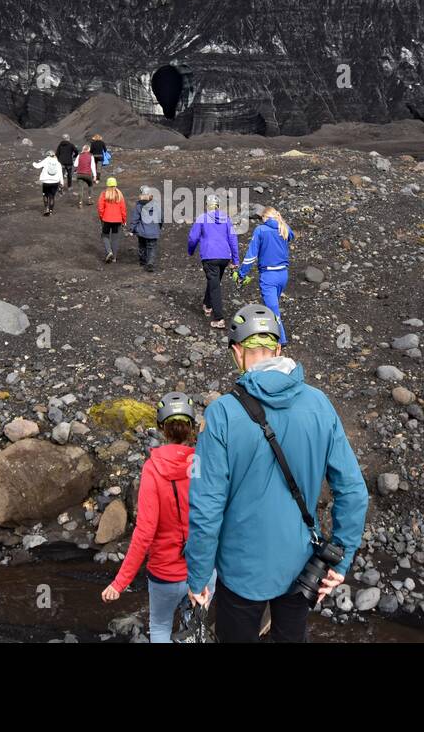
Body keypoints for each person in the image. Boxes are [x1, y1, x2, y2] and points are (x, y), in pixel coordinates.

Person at [184, 305, 368, 643]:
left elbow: (206, 508)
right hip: (301, 566)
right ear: (278, 350)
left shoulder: (222, 414)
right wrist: (340, 560)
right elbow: (354, 491)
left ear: (237, 353)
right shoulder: (319, 403)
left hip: (240, 569)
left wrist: (197, 579)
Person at [100, 392, 214, 642]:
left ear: (162, 429)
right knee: (196, 628)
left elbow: (144, 532)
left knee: (161, 626)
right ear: (192, 427)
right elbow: (216, 518)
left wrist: (120, 583)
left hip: (165, 573)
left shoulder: (153, 469)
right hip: (202, 568)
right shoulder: (204, 463)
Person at [237, 206, 294, 344]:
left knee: (272, 309)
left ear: (265, 217)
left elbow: (251, 255)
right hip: (283, 274)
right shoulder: (284, 228)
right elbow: (290, 237)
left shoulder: (261, 230)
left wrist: (242, 273)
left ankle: (280, 340)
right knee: (273, 305)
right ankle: (274, 335)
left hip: (269, 275)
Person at [187, 194, 240, 330]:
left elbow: (193, 237)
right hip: (224, 256)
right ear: (218, 206)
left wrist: (191, 250)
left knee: (215, 285)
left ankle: (219, 318)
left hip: (210, 256)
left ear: (207, 205)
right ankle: (207, 304)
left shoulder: (202, 218)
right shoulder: (226, 219)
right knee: (214, 281)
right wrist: (235, 259)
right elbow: (233, 239)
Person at [128, 185, 163, 272]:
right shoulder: (156, 204)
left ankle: (143, 261)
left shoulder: (139, 205)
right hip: (153, 230)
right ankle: (150, 262)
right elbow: (161, 217)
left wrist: (132, 228)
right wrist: (159, 226)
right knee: (151, 247)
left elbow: (135, 218)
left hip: (142, 230)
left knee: (142, 245)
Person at [97, 176, 127, 263]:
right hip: (118, 220)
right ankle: (114, 258)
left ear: (107, 184)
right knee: (115, 239)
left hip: (106, 219)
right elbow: (123, 209)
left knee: (105, 235)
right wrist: (124, 220)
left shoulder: (104, 194)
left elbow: (100, 207)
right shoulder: (119, 194)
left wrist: (101, 217)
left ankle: (109, 251)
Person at [32, 151, 63, 216]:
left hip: (46, 181)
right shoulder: (58, 163)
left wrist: (33, 163)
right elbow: (61, 174)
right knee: (52, 197)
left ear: (48, 155)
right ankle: (51, 211)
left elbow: (37, 166)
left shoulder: (46, 160)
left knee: (45, 195)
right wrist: (62, 183)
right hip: (55, 182)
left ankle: (46, 208)